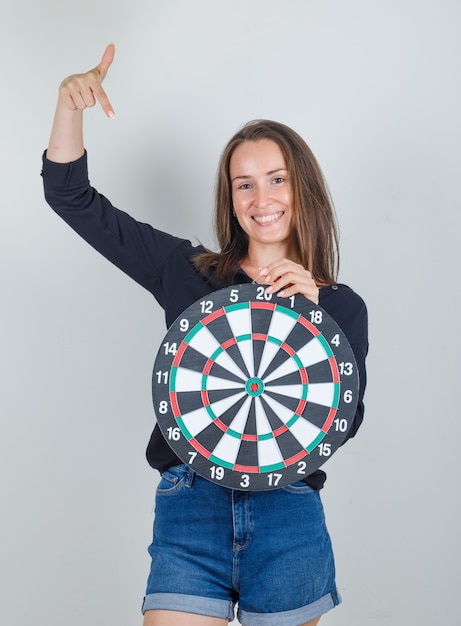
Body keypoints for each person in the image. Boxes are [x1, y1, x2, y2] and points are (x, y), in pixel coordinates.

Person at [42, 43, 368, 626]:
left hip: (288, 518)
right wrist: (70, 105)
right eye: (244, 185)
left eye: (276, 179)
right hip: (189, 507)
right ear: (231, 198)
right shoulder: (188, 271)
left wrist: (316, 321)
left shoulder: (341, 306)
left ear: (303, 188)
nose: (261, 199)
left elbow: (344, 422)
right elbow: (73, 199)